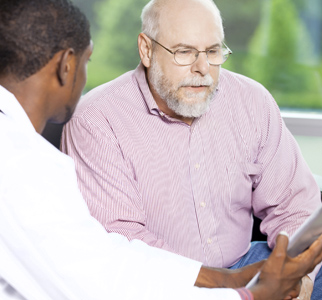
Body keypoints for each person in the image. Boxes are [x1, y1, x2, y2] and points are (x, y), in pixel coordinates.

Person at [3, 0, 322, 299]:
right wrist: (244, 292)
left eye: (212, 51)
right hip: (169, 282)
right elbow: (111, 266)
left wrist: (298, 275)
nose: (203, 69)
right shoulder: (71, 136)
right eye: (184, 52)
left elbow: (295, 203)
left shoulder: (252, 101)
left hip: (244, 261)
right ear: (146, 49)